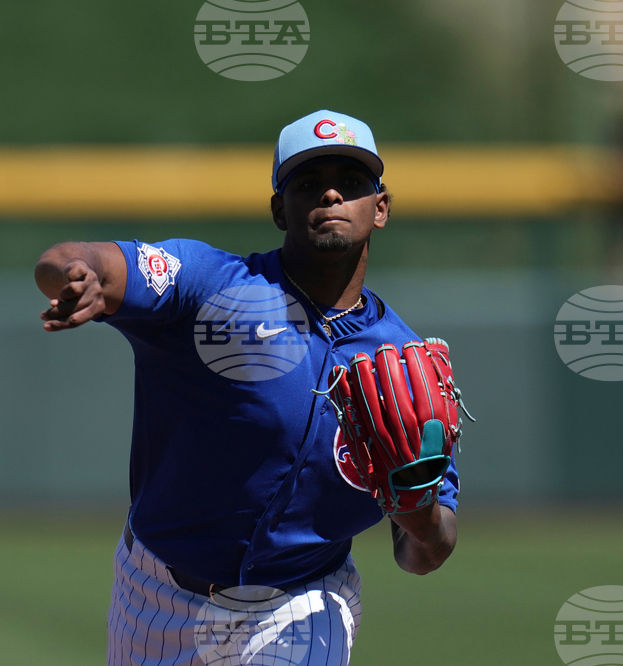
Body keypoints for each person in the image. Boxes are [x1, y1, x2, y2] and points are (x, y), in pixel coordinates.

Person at [34, 110, 461, 665]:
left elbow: (426, 552)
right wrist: (74, 275)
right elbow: (75, 258)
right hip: (158, 594)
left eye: (352, 182)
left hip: (305, 602)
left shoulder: (404, 366)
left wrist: (417, 509)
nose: (331, 193)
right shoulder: (208, 286)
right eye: (308, 183)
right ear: (279, 208)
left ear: (380, 208)